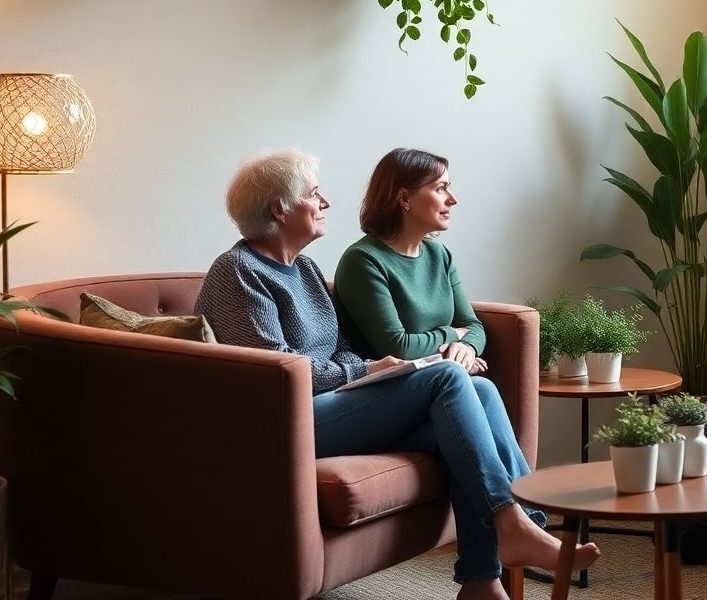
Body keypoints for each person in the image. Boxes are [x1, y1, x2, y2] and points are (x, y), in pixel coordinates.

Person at [195, 149, 597, 600]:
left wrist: (363, 369)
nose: (325, 202)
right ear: (279, 209)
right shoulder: (238, 271)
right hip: (284, 421)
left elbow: (337, 346)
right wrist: (366, 368)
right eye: (314, 194)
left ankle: (482, 580)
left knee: (478, 390)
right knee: (447, 377)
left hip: (330, 404)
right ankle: (512, 520)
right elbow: (276, 368)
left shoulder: (304, 269)